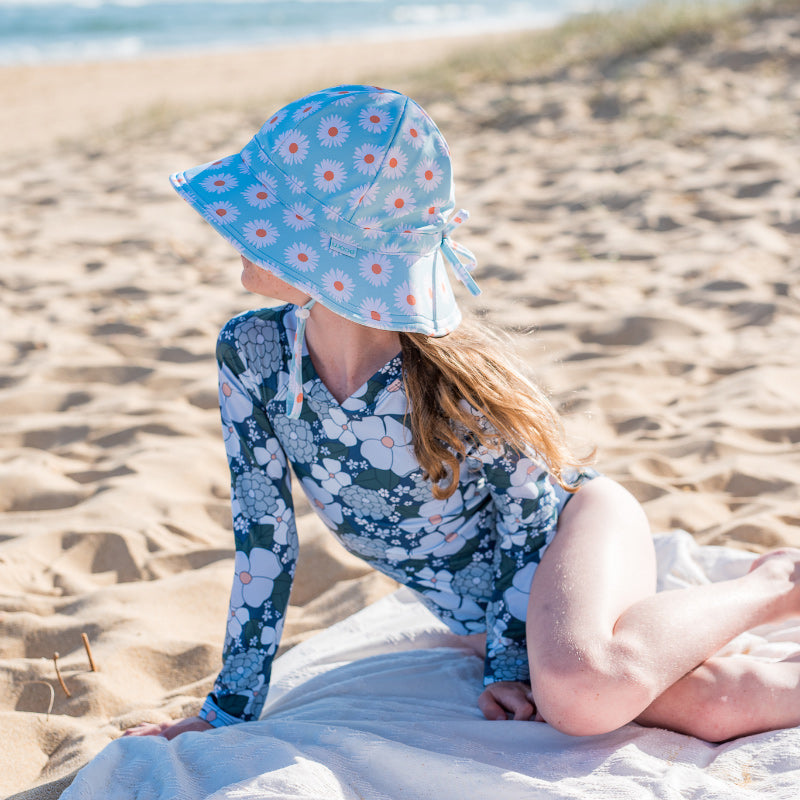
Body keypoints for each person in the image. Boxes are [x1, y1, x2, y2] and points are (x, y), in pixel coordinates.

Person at [126, 84, 800, 745]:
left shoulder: (449, 378)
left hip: (569, 531)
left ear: (333, 253)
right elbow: (263, 539)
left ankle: (775, 584)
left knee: (580, 691)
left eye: (265, 220)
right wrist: (227, 709)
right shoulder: (251, 354)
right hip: (480, 604)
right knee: (712, 704)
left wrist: (510, 664)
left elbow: (527, 514)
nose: (234, 231)